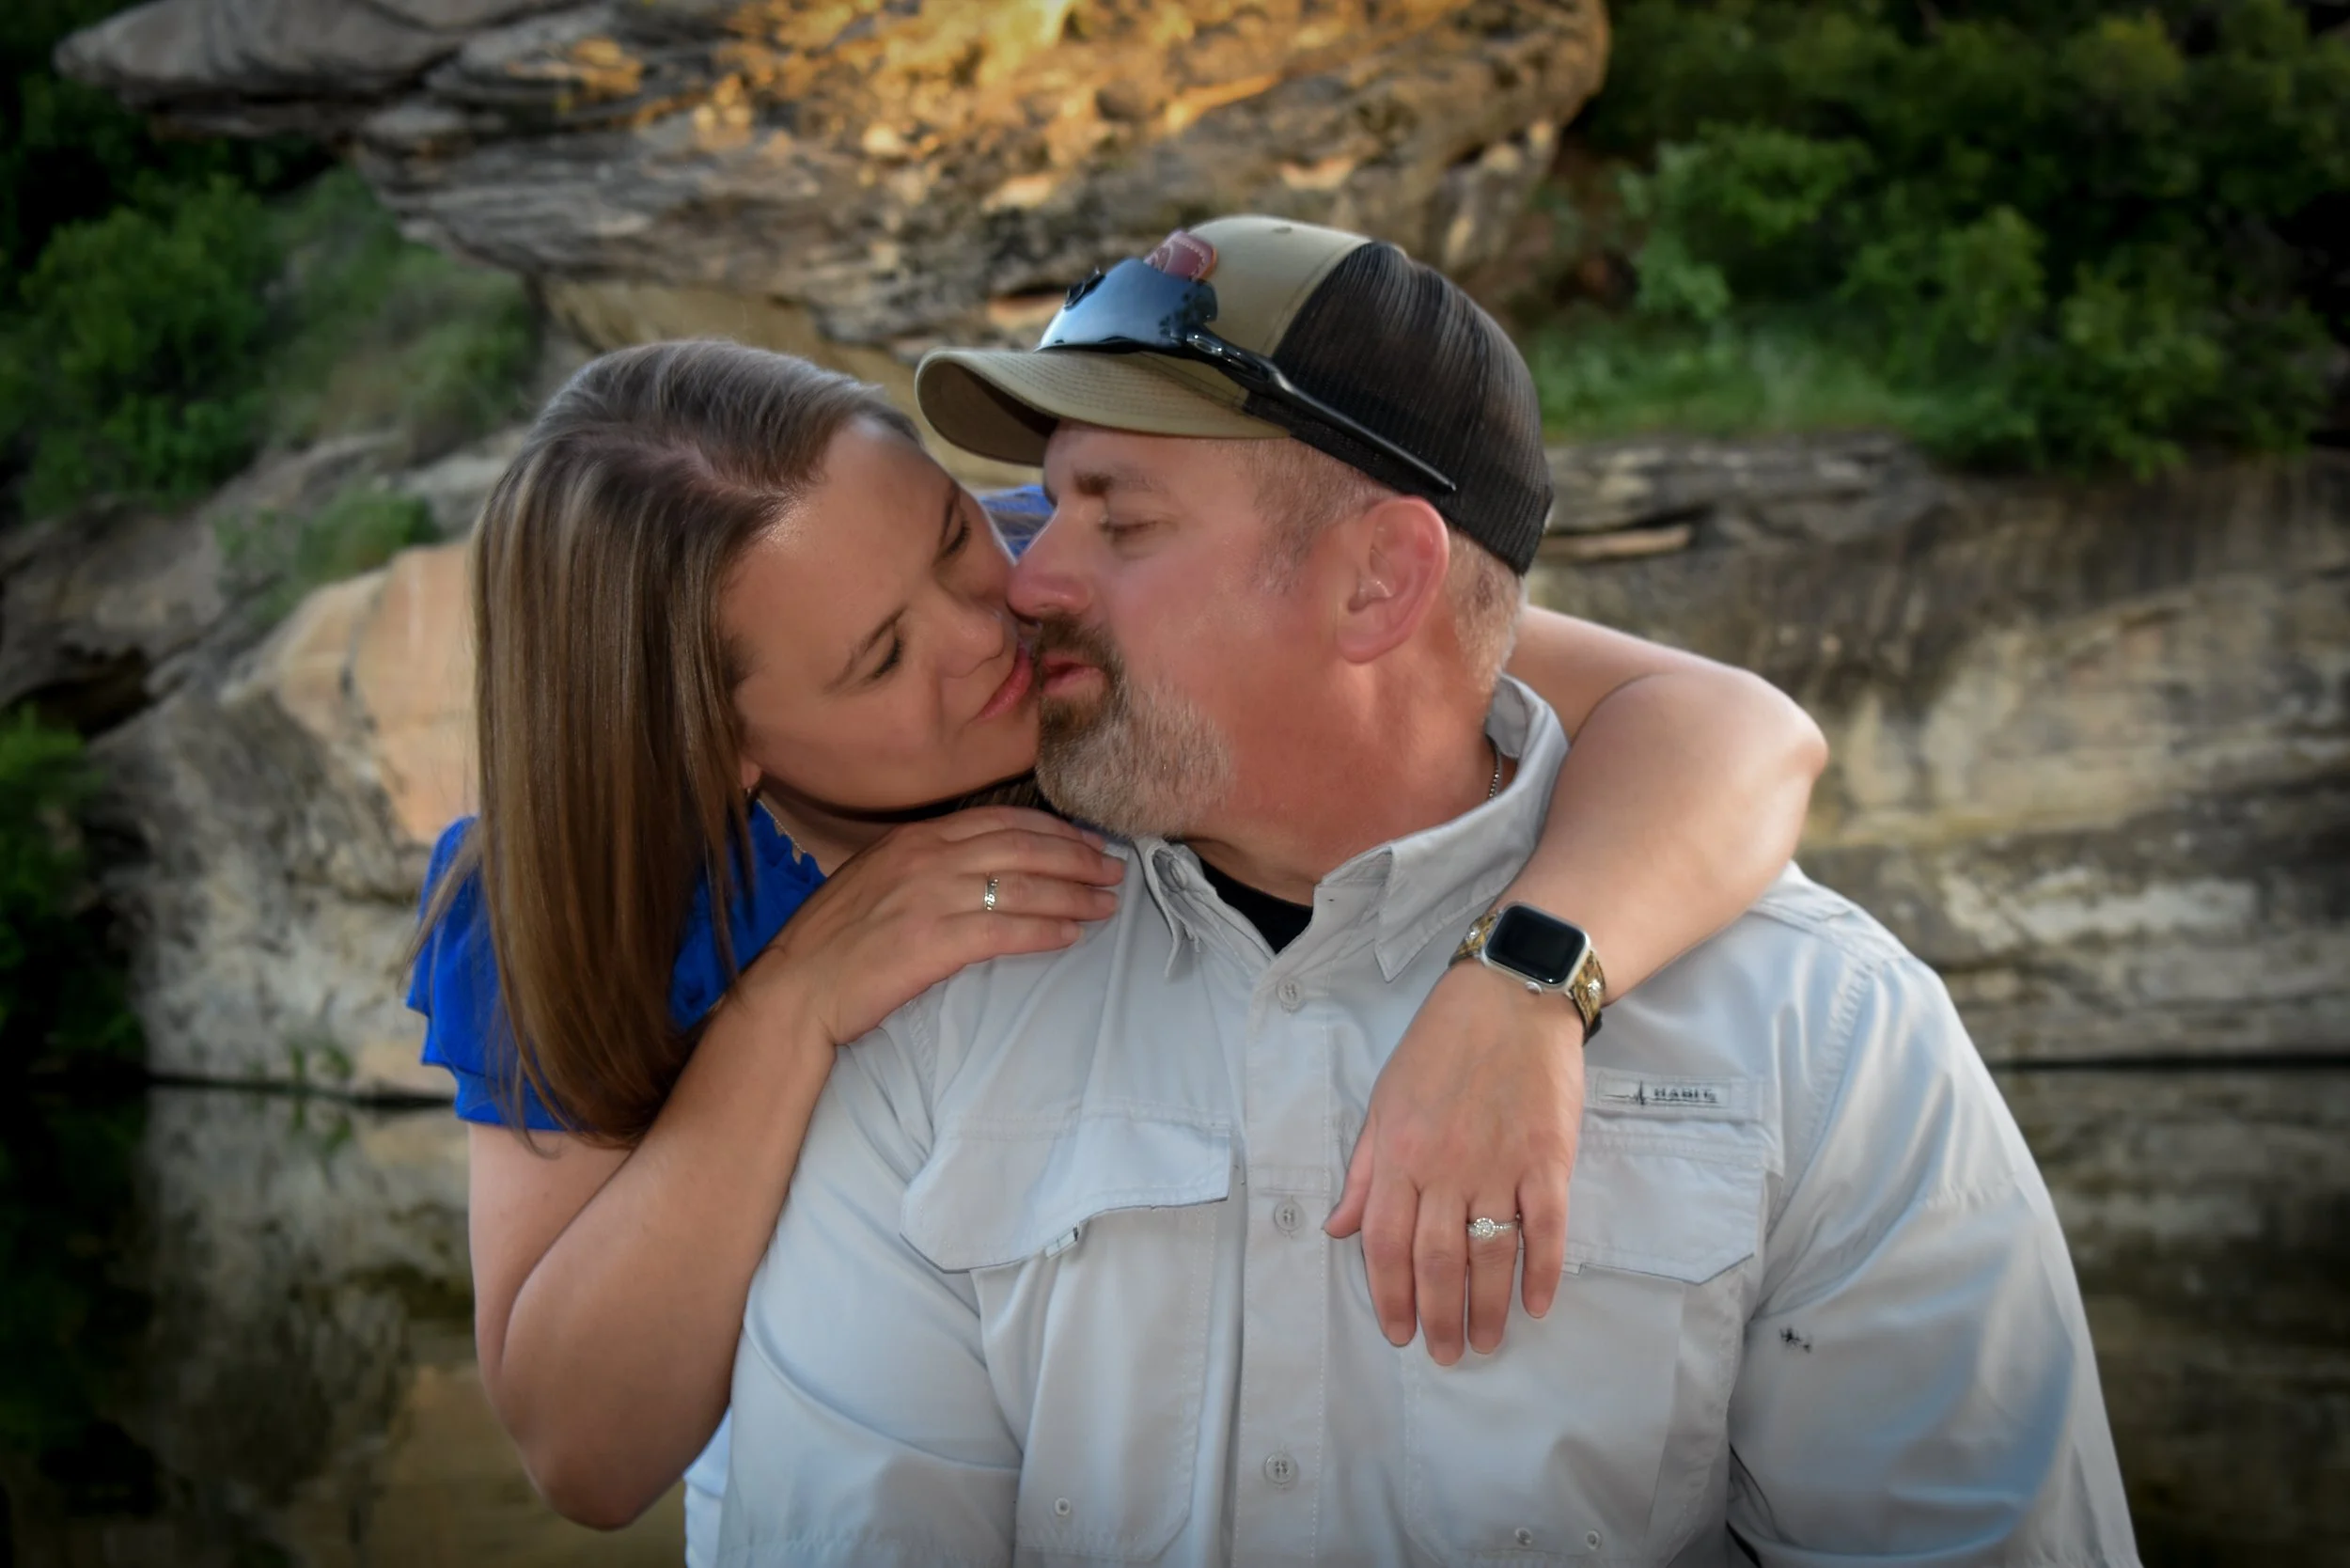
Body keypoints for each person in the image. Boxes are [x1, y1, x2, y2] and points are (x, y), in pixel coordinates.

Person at [717, 216, 2138, 1565]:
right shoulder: (928, 1020)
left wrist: (1529, 983)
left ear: (1377, 584)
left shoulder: (1822, 1039)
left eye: (1119, 521)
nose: (1030, 581)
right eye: (1044, 505)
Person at [406, 337, 1831, 1560]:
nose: (999, 623)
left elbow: (1734, 732)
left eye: (956, 536)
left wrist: (1526, 984)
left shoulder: (1075, 567)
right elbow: (583, 1454)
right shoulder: (581, 886)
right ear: (718, 756)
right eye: (882, 660)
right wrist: (791, 1011)